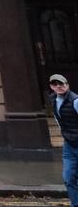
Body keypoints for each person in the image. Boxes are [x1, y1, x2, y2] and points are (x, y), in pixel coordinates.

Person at [50, 74, 78, 207]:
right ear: (51, 87)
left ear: (67, 84)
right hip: (69, 145)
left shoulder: (75, 101)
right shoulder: (53, 100)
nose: (59, 86)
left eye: (62, 83)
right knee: (68, 178)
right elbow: (59, 120)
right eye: (55, 84)